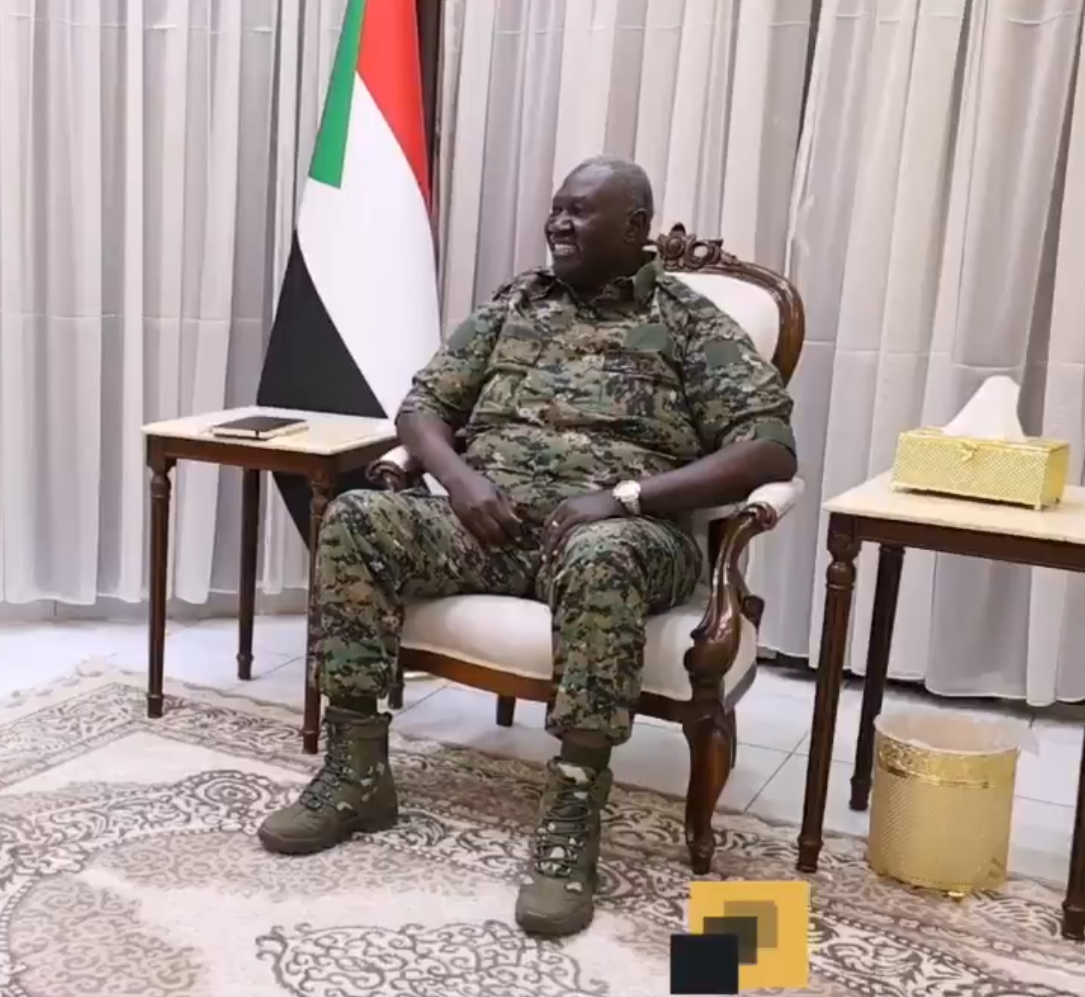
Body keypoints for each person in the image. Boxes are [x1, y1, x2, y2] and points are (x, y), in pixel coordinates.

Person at [254, 156, 798, 937]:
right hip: (495, 529)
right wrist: (460, 483)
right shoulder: (515, 302)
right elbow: (421, 407)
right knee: (356, 517)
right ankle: (355, 773)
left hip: (627, 536)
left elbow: (768, 448)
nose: (558, 224)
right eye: (556, 208)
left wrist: (625, 498)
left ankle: (571, 815)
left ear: (635, 227)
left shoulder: (687, 321)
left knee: (599, 555)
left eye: (579, 211)